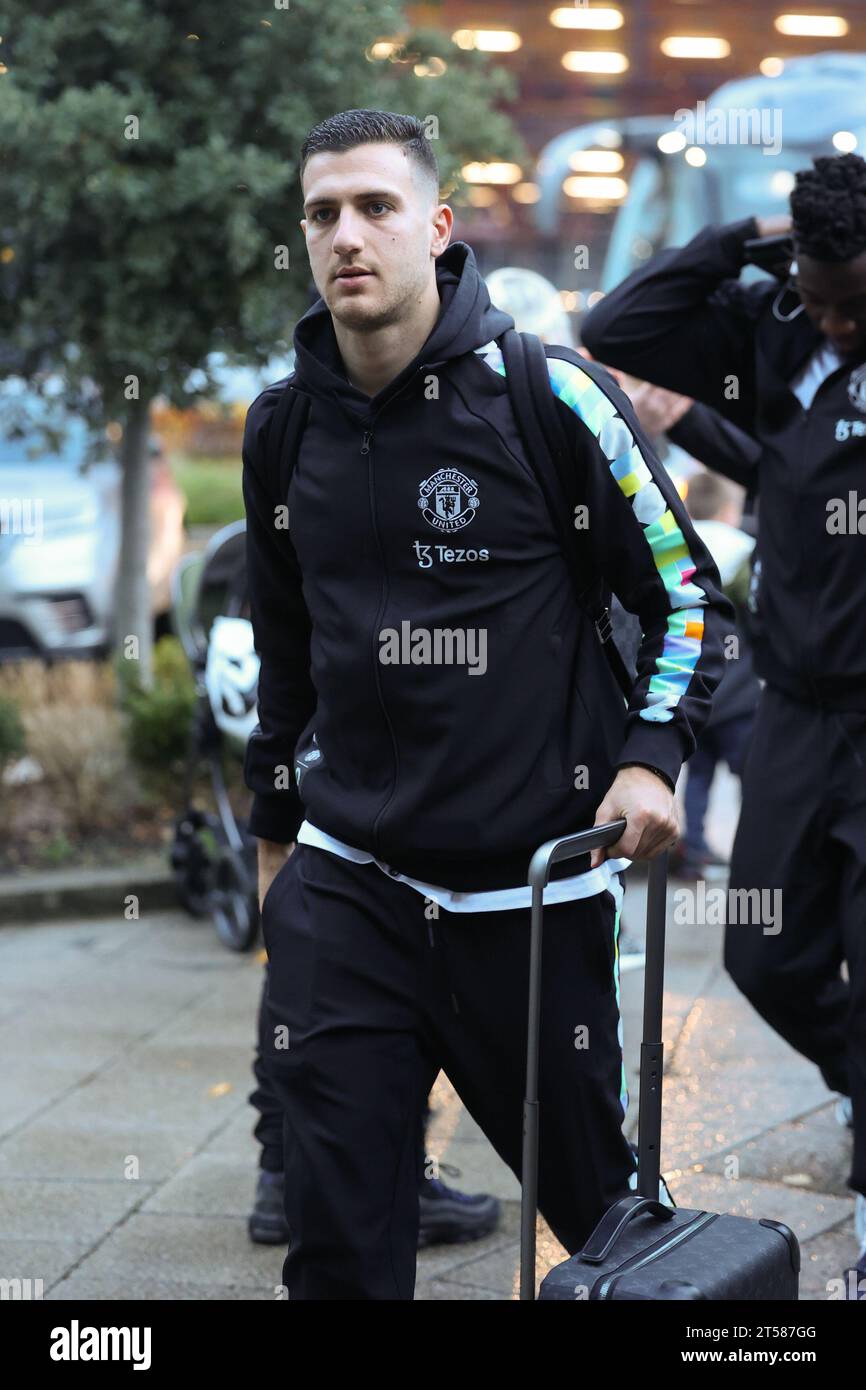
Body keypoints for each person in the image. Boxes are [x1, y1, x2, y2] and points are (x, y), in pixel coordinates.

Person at [242, 108, 730, 1300]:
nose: (345, 235)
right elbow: (284, 653)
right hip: (348, 890)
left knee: (603, 1221)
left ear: (437, 228)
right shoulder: (283, 428)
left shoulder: (544, 396)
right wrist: (275, 849)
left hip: (531, 898)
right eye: (321, 214)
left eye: (374, 207)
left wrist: (651, 756)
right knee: (338, 1238)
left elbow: (685, 594)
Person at [582, 151, 866, 1296]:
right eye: (824, 296)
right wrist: (752, 238)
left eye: (857, 301)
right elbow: (621, 320)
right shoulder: (781, 336)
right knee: (759, 951)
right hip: (797, 716)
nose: (840, 321)